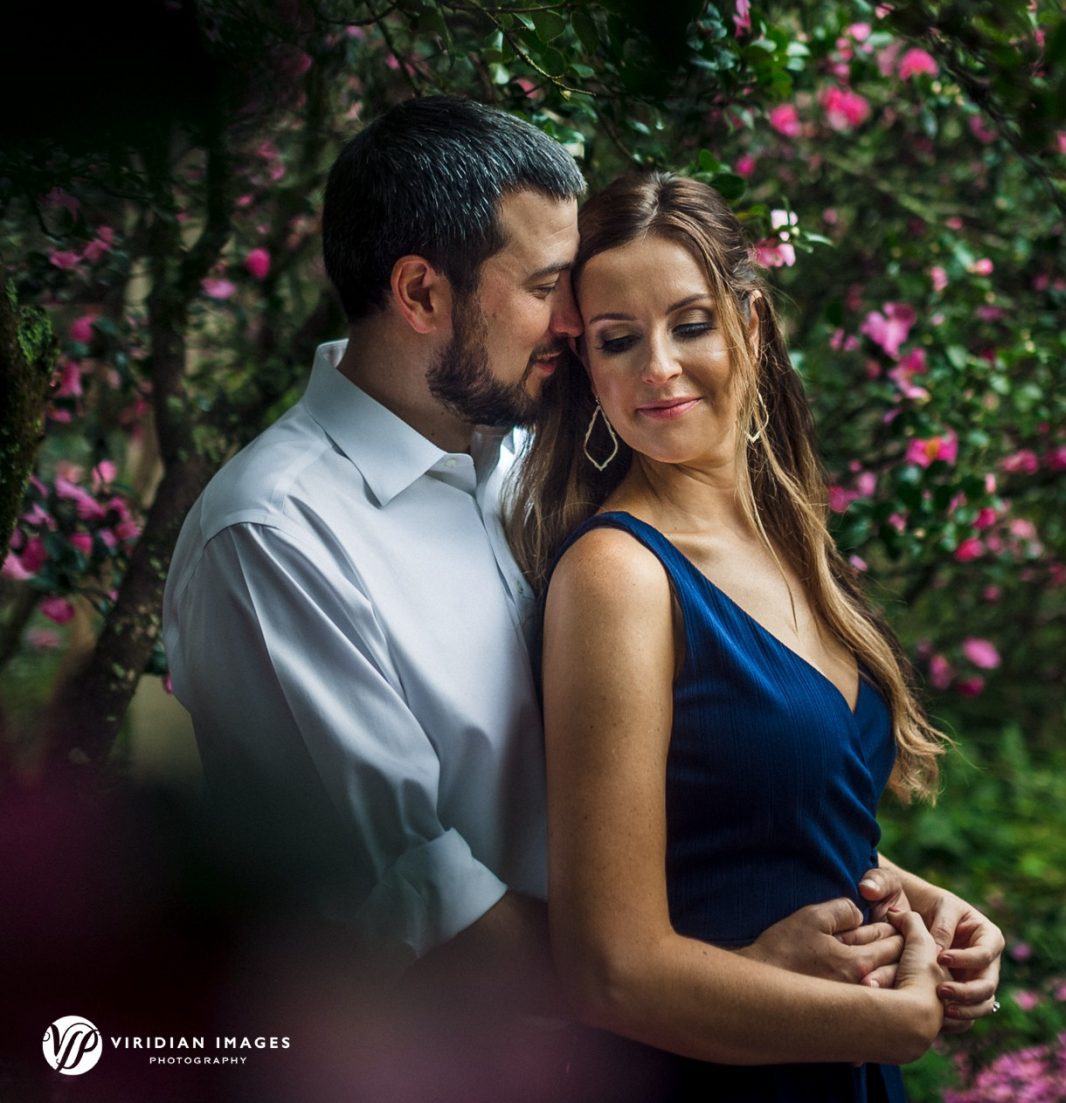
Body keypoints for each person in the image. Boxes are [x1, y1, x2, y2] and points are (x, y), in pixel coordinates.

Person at [161, 96, 914, 1009]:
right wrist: (741, 973)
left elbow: (692, 782)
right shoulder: (274, 539)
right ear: (422, 294)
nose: (572, 321)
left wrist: (901, 911)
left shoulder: (522, 462)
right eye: (544, 285)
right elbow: (426, 908)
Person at [504, 171, 1004, 1100]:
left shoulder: (785, 540)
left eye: (689, 322)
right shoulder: (619, 576)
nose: (657, 365)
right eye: (618, 340)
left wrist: (929, 906)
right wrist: (889, 1021)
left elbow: (767, 818)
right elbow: (608, 968)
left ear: (753, 324)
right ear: (589, 366)